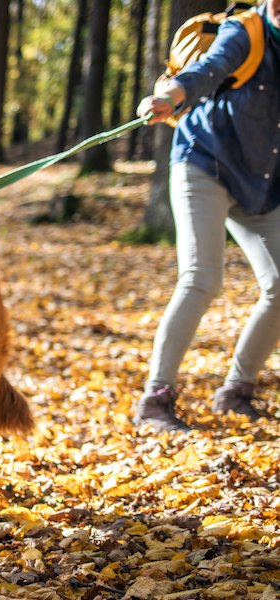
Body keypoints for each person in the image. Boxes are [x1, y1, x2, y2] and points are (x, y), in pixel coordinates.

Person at [133, 0, 280, 431]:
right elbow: (208, 70)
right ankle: (155, 400)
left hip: (262, 183)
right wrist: (169, 97)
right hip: (206, 165)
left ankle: (237, 391)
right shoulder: (247, 31)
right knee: (202, 278)